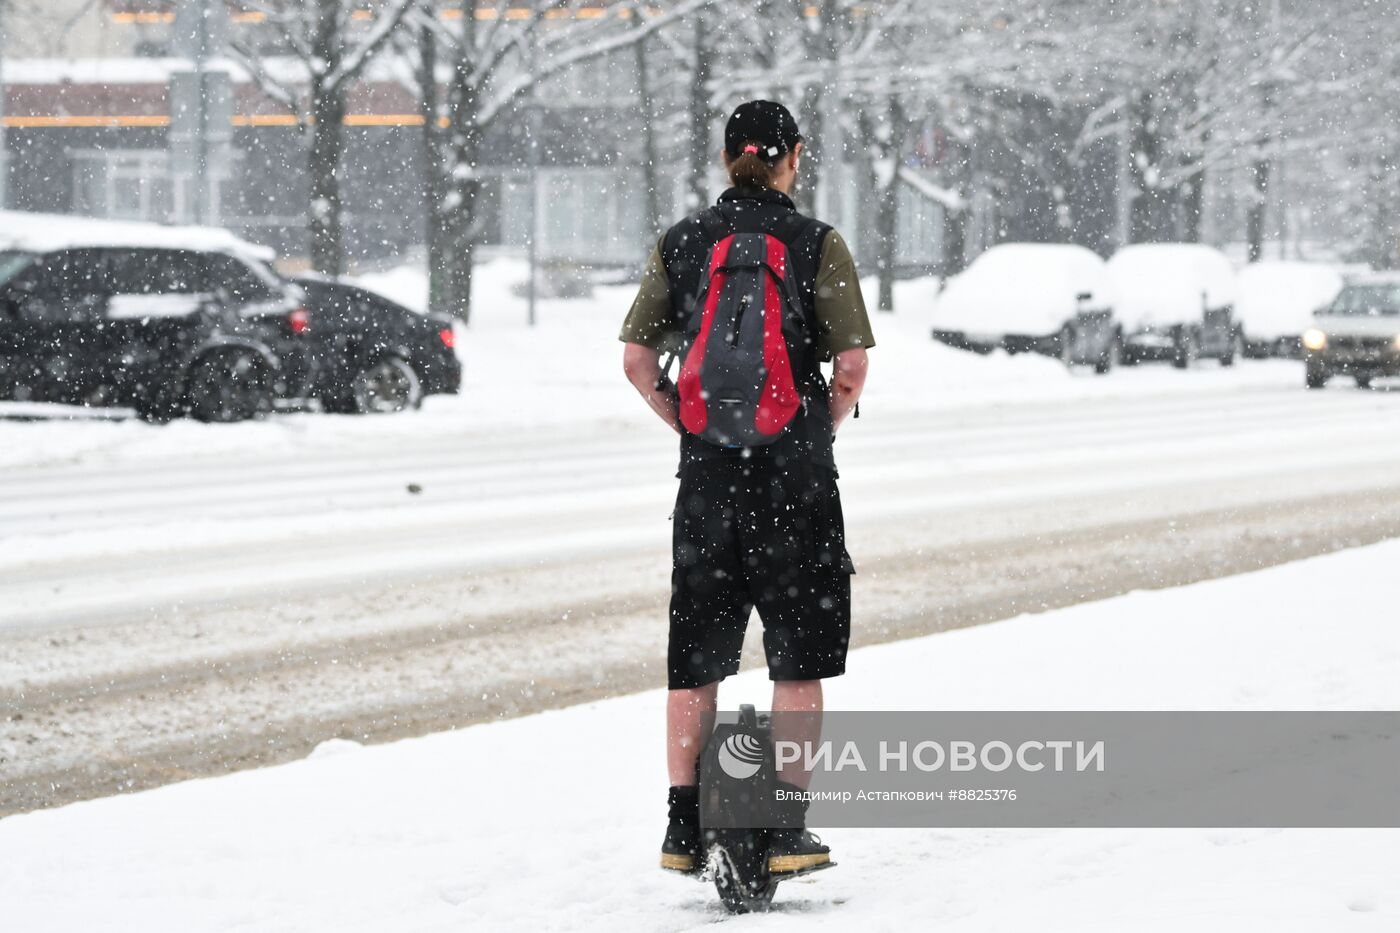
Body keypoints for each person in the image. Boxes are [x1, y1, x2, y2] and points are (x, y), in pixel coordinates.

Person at [619, 99, 875, 877]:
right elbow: (853, 368)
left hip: (706, 483)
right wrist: (811, 431)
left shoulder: (685, 242)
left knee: (695, 657)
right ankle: (788, 827)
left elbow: (636, 359)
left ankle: (682, 824)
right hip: (794, 476)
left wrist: (691, 426)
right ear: (793, 156)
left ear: (727, 156)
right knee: (797, 658)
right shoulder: (816, 243)